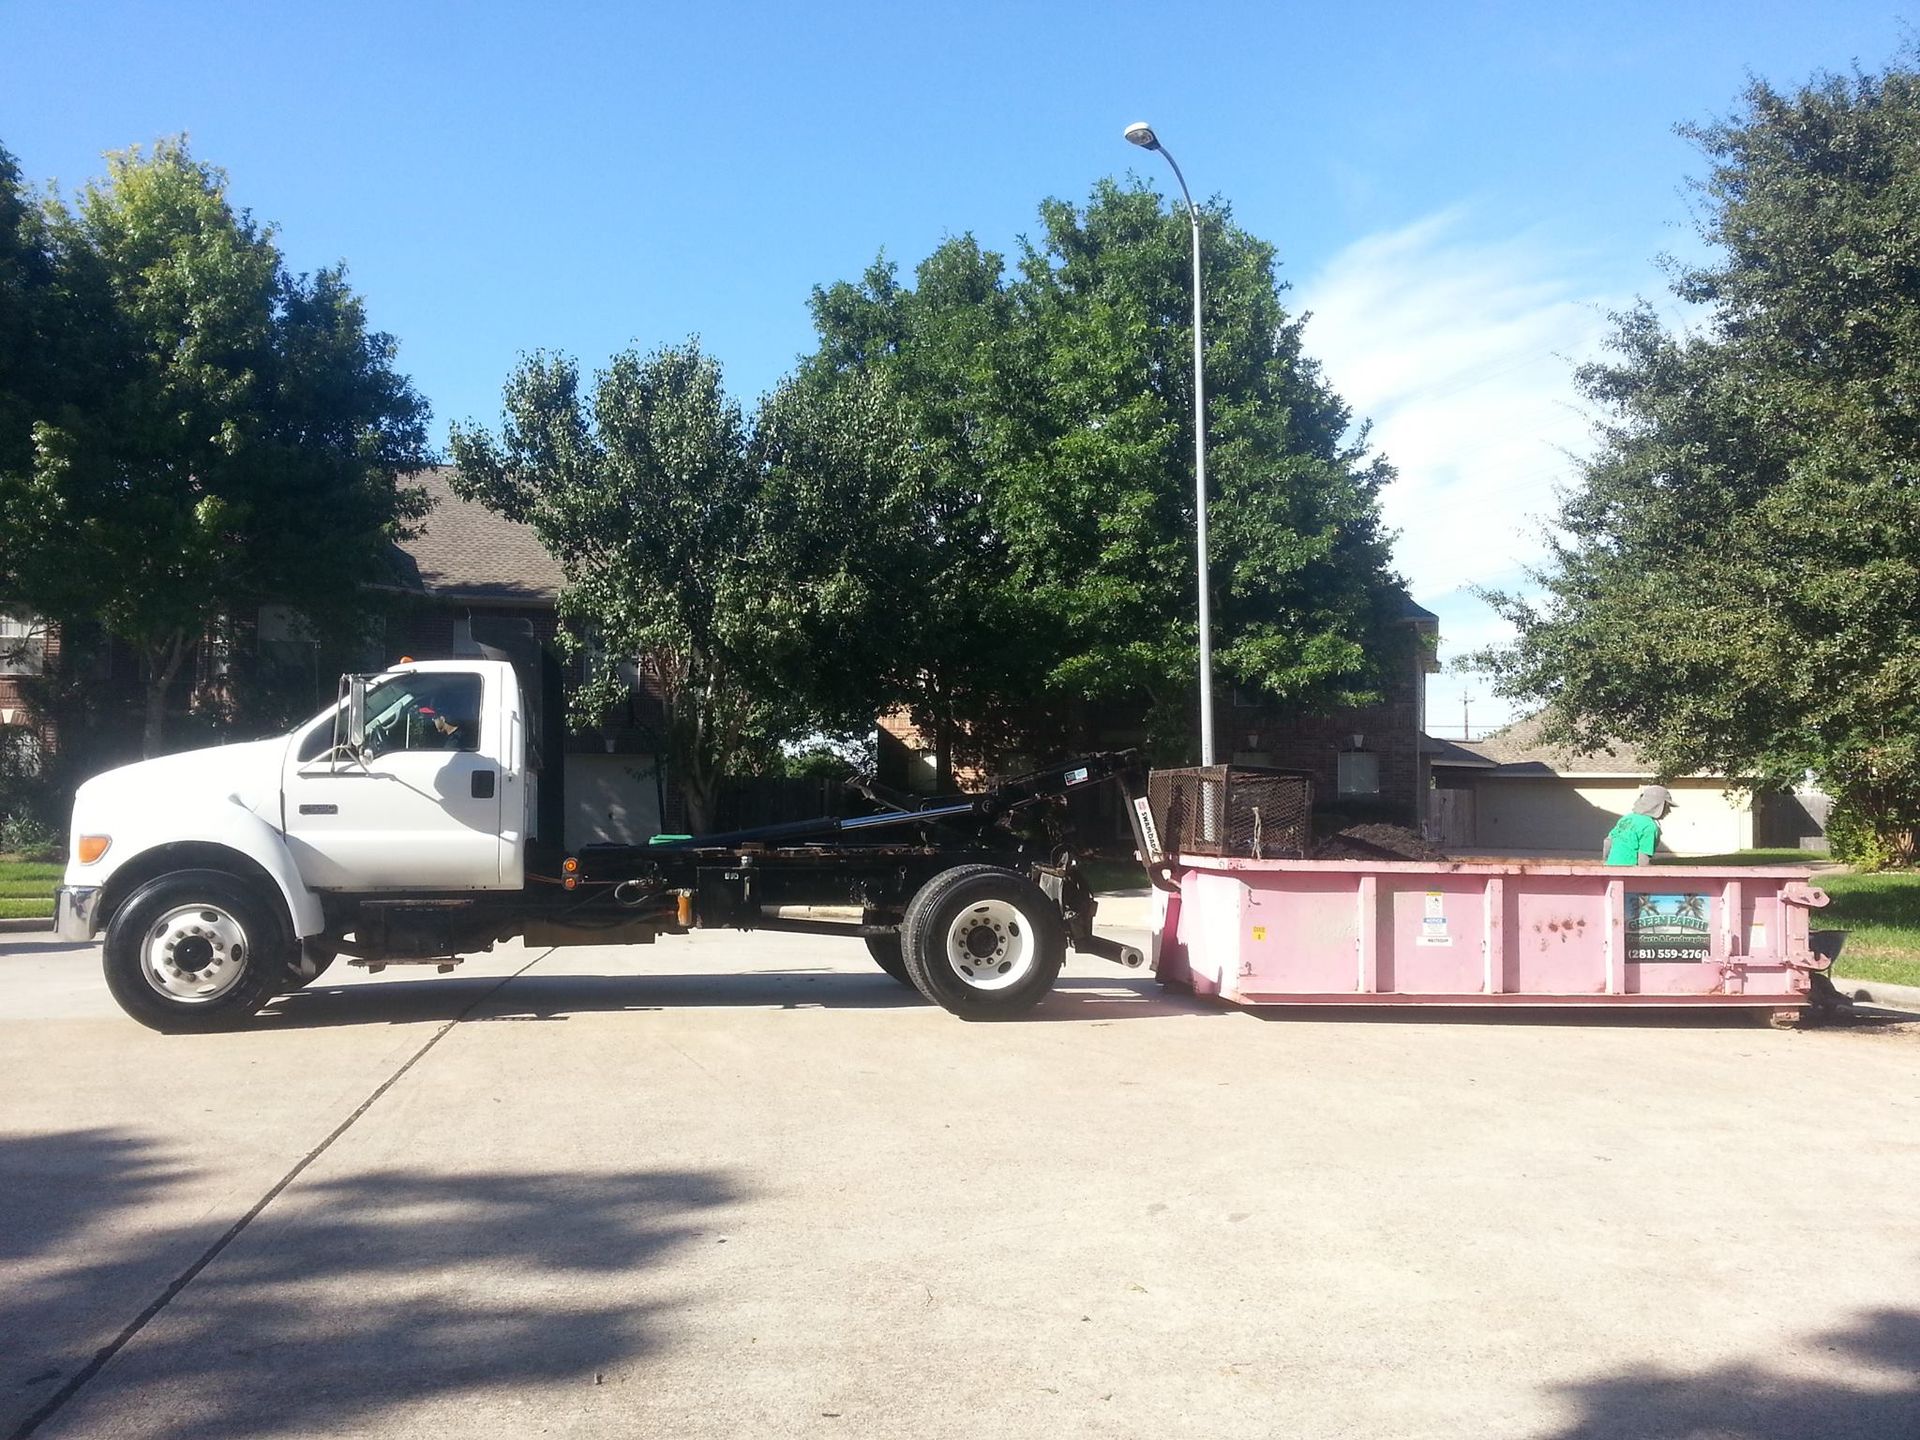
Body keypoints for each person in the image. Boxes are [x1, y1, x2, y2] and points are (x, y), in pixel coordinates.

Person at [1603, 785, 1672, 866]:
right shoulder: (1649, 826)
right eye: (1667, 806)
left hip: (1610, 869)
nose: (1669, 811)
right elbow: (1643, 861)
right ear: (1659, 806)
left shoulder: (1627, 818)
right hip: (1630, 872)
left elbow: (1608, 842)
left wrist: (1607, 862)